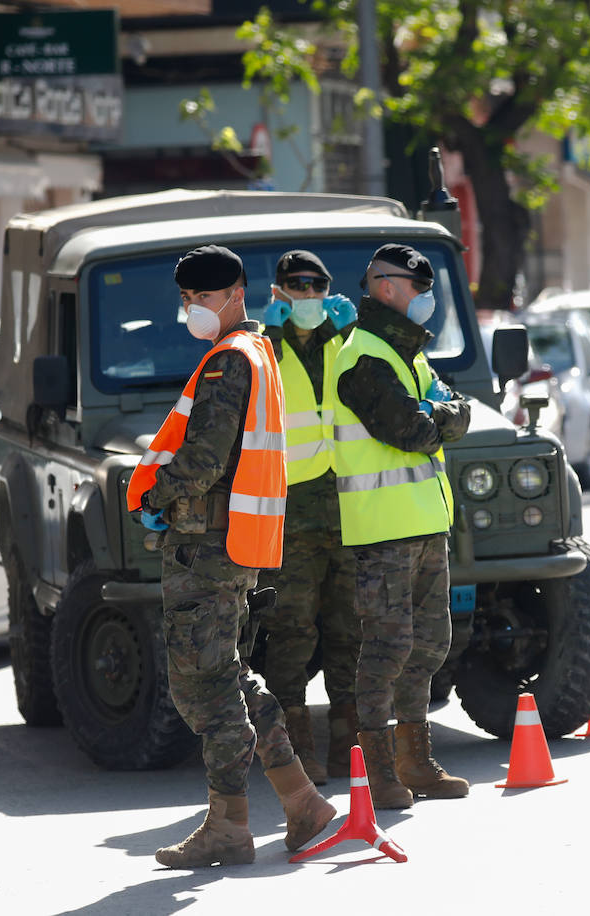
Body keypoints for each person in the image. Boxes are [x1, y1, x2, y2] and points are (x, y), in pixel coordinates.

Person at [126, 244, 334, 867]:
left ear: (235, 296)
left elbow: (205, 459)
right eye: (186, 301)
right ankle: (302, 805)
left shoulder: (227, 362)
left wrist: (155, 495)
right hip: (231, 546)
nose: (192, 310)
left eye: (202, 299)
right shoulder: (258, 353)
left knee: (202, 686)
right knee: (232, 679)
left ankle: (230, 826)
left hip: (204, 549)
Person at [327, 243, 471, 809]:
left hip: (425, 525)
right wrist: (444, 416)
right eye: (418, 288)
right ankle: (380, 771)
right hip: (382, 531)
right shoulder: (363, 358)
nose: (426, 298)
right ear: (386, 287)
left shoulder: (407, 355)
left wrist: (442, 415)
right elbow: (411, 428)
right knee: (387, 650)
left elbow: (450, 409)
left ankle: (417, 760)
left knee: (431, 645)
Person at [257, 250, 361, 785]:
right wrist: (269, 334)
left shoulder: (343, 341)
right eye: (296, 286)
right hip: (291, 511)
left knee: (348, 630)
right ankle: (297, 751)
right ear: (278, 293)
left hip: (346, 505)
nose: (307, 296)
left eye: (316, 286)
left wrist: (353, 330)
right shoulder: (262, 347)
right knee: (291, 632)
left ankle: (349, 743)